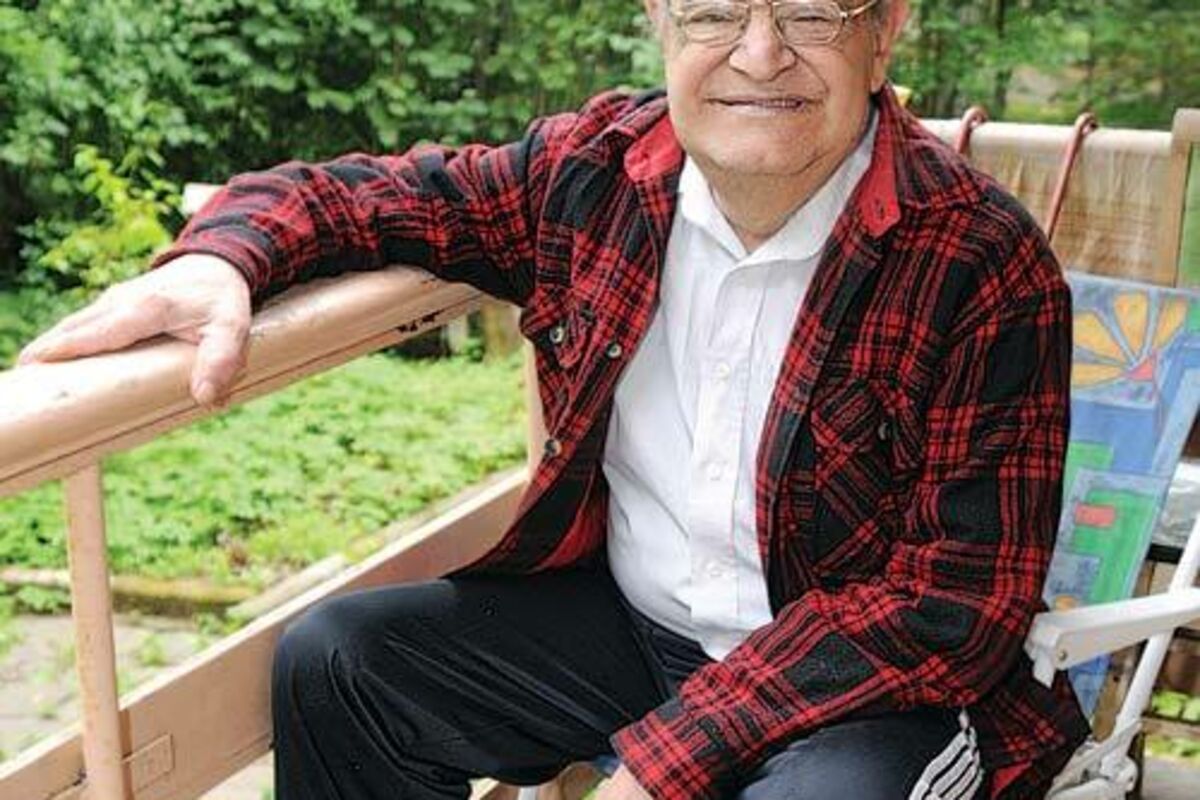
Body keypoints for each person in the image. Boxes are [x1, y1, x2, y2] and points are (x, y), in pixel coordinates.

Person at [20, 1, 1090, 797]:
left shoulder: (981, 260)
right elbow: (362, 196)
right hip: (634, 625)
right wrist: (223, 259)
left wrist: (665, 762)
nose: (760, 53)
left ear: (885, 31)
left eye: (813, 11)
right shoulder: (596, 177)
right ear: (660, 20)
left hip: (864, 689)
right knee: (341, 662)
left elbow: (952, 608)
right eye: (714, 10)